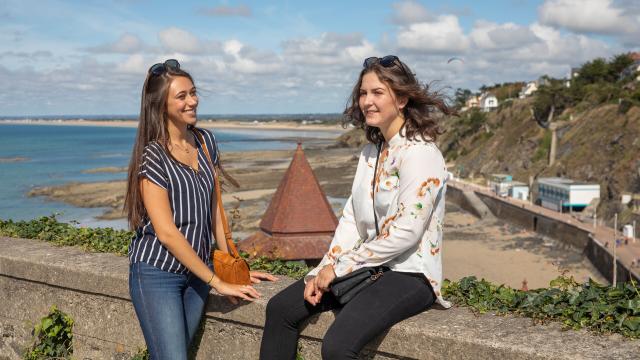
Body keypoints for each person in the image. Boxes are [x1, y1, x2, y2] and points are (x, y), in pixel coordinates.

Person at [260, 55, 454, 359]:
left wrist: (339, 269)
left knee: (338, 346)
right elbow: (351, 220)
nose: (367, 101)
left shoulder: (421, 153)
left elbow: (406, 233)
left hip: (410, 274)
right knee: (281, 309)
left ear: (402, 99)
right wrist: (323, 270)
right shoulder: (370, 152)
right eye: (363, 93)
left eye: (378, 93)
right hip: (368, 266)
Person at [124, 59, 275, 360]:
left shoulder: (205, 142)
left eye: (193, 93)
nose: (193, 101)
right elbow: (166, 233)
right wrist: (216, 281)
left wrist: (234, 267)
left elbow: (214, 211)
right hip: (157, 273)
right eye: (182, 96)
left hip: (197, 273)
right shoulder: (153, 156)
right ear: (160, 104)